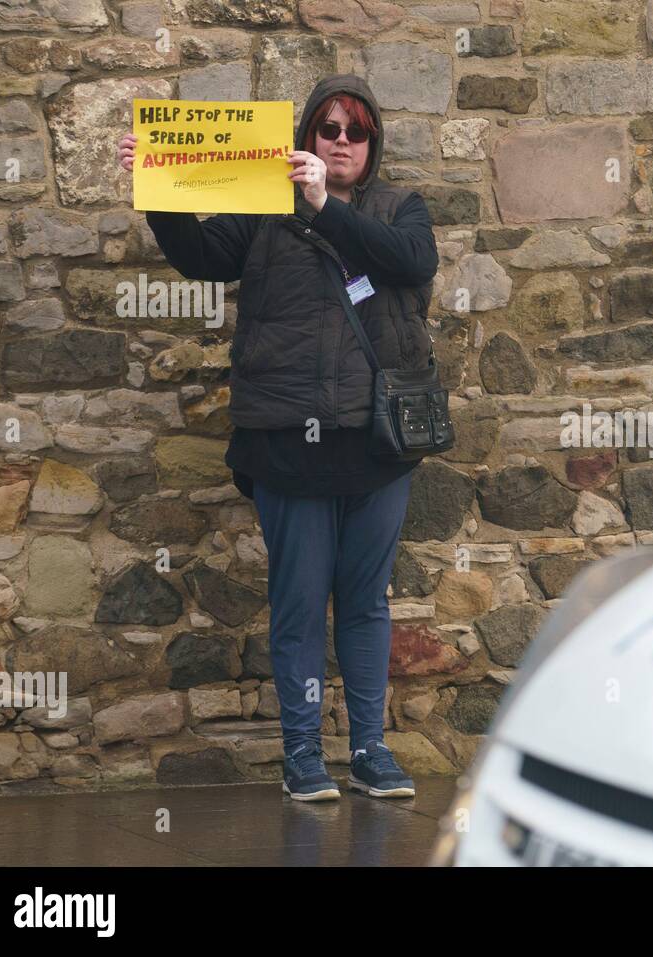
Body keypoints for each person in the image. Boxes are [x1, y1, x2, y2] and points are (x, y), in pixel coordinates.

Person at [118, 74, 440, 802]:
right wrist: (158, 186)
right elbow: (198, 257)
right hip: (289, 441)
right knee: (298, 600)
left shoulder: (400, 210)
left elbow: (410, 263)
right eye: (327, 129)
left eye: (355, 130)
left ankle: (368, 748)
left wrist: (326, 206)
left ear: (372, 142)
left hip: (378, 444)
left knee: (365, 602)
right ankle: (301, 755)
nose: (341, 141)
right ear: (306, 137)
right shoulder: (266, 208)